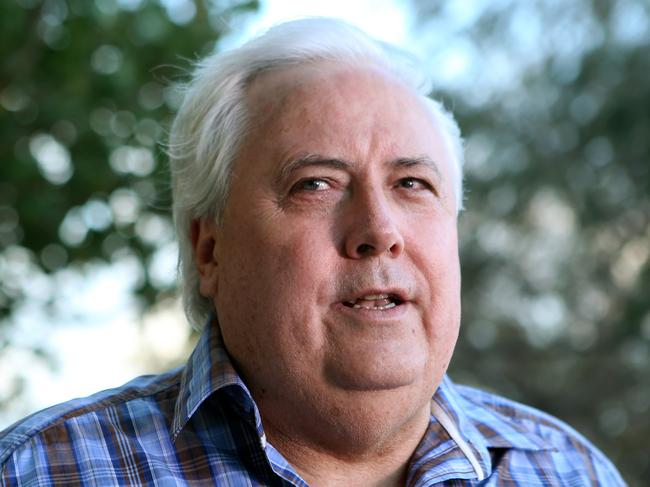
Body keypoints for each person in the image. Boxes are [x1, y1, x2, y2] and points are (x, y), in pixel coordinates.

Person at [0, 18, 625, 486]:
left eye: (412, 184)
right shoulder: (40, 470)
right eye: (316, 184)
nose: (379, 230)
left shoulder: (570, 470)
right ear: (209, 249)